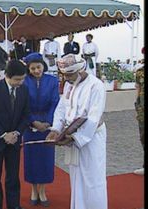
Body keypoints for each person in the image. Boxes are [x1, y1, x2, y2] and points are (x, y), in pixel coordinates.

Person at [46, 54, 107, 209]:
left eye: (69, 74)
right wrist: (55, 129)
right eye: (64, 74)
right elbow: (61, 109)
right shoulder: (69, 85)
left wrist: (75, 137)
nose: (66, 77)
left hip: (90, 139)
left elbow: (94, 118)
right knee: (76, 178)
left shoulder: (96, 85)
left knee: (92, 179)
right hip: (72, 136)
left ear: (81, 70)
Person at [0, 59, 30, 209]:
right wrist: (4, 134)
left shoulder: (24, 90)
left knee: (13, 177)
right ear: (8, 76)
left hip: (14, 141)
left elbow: (26, 115)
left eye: (23, 79)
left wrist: (16, 133)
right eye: (18, 79)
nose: (20, 82)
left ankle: (14, 205)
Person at [22, 52, 60, 207]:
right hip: (30, 125)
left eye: (38, 67)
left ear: (43, 66)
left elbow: (55, 103)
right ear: (28, 69)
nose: (36, 71)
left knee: (45, 159)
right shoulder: (23, 82)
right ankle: (33, 190)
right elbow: (22, 105)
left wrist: (48, 122)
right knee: (31, 159)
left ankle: (42, 190)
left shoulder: (52, 81)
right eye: (32, 68)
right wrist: (33, 122)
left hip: (47, 125)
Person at [133, 47, 145, 175]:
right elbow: (137, 88)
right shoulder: (140, 72)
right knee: (143, 138)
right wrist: (136, 105)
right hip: (142, 110)